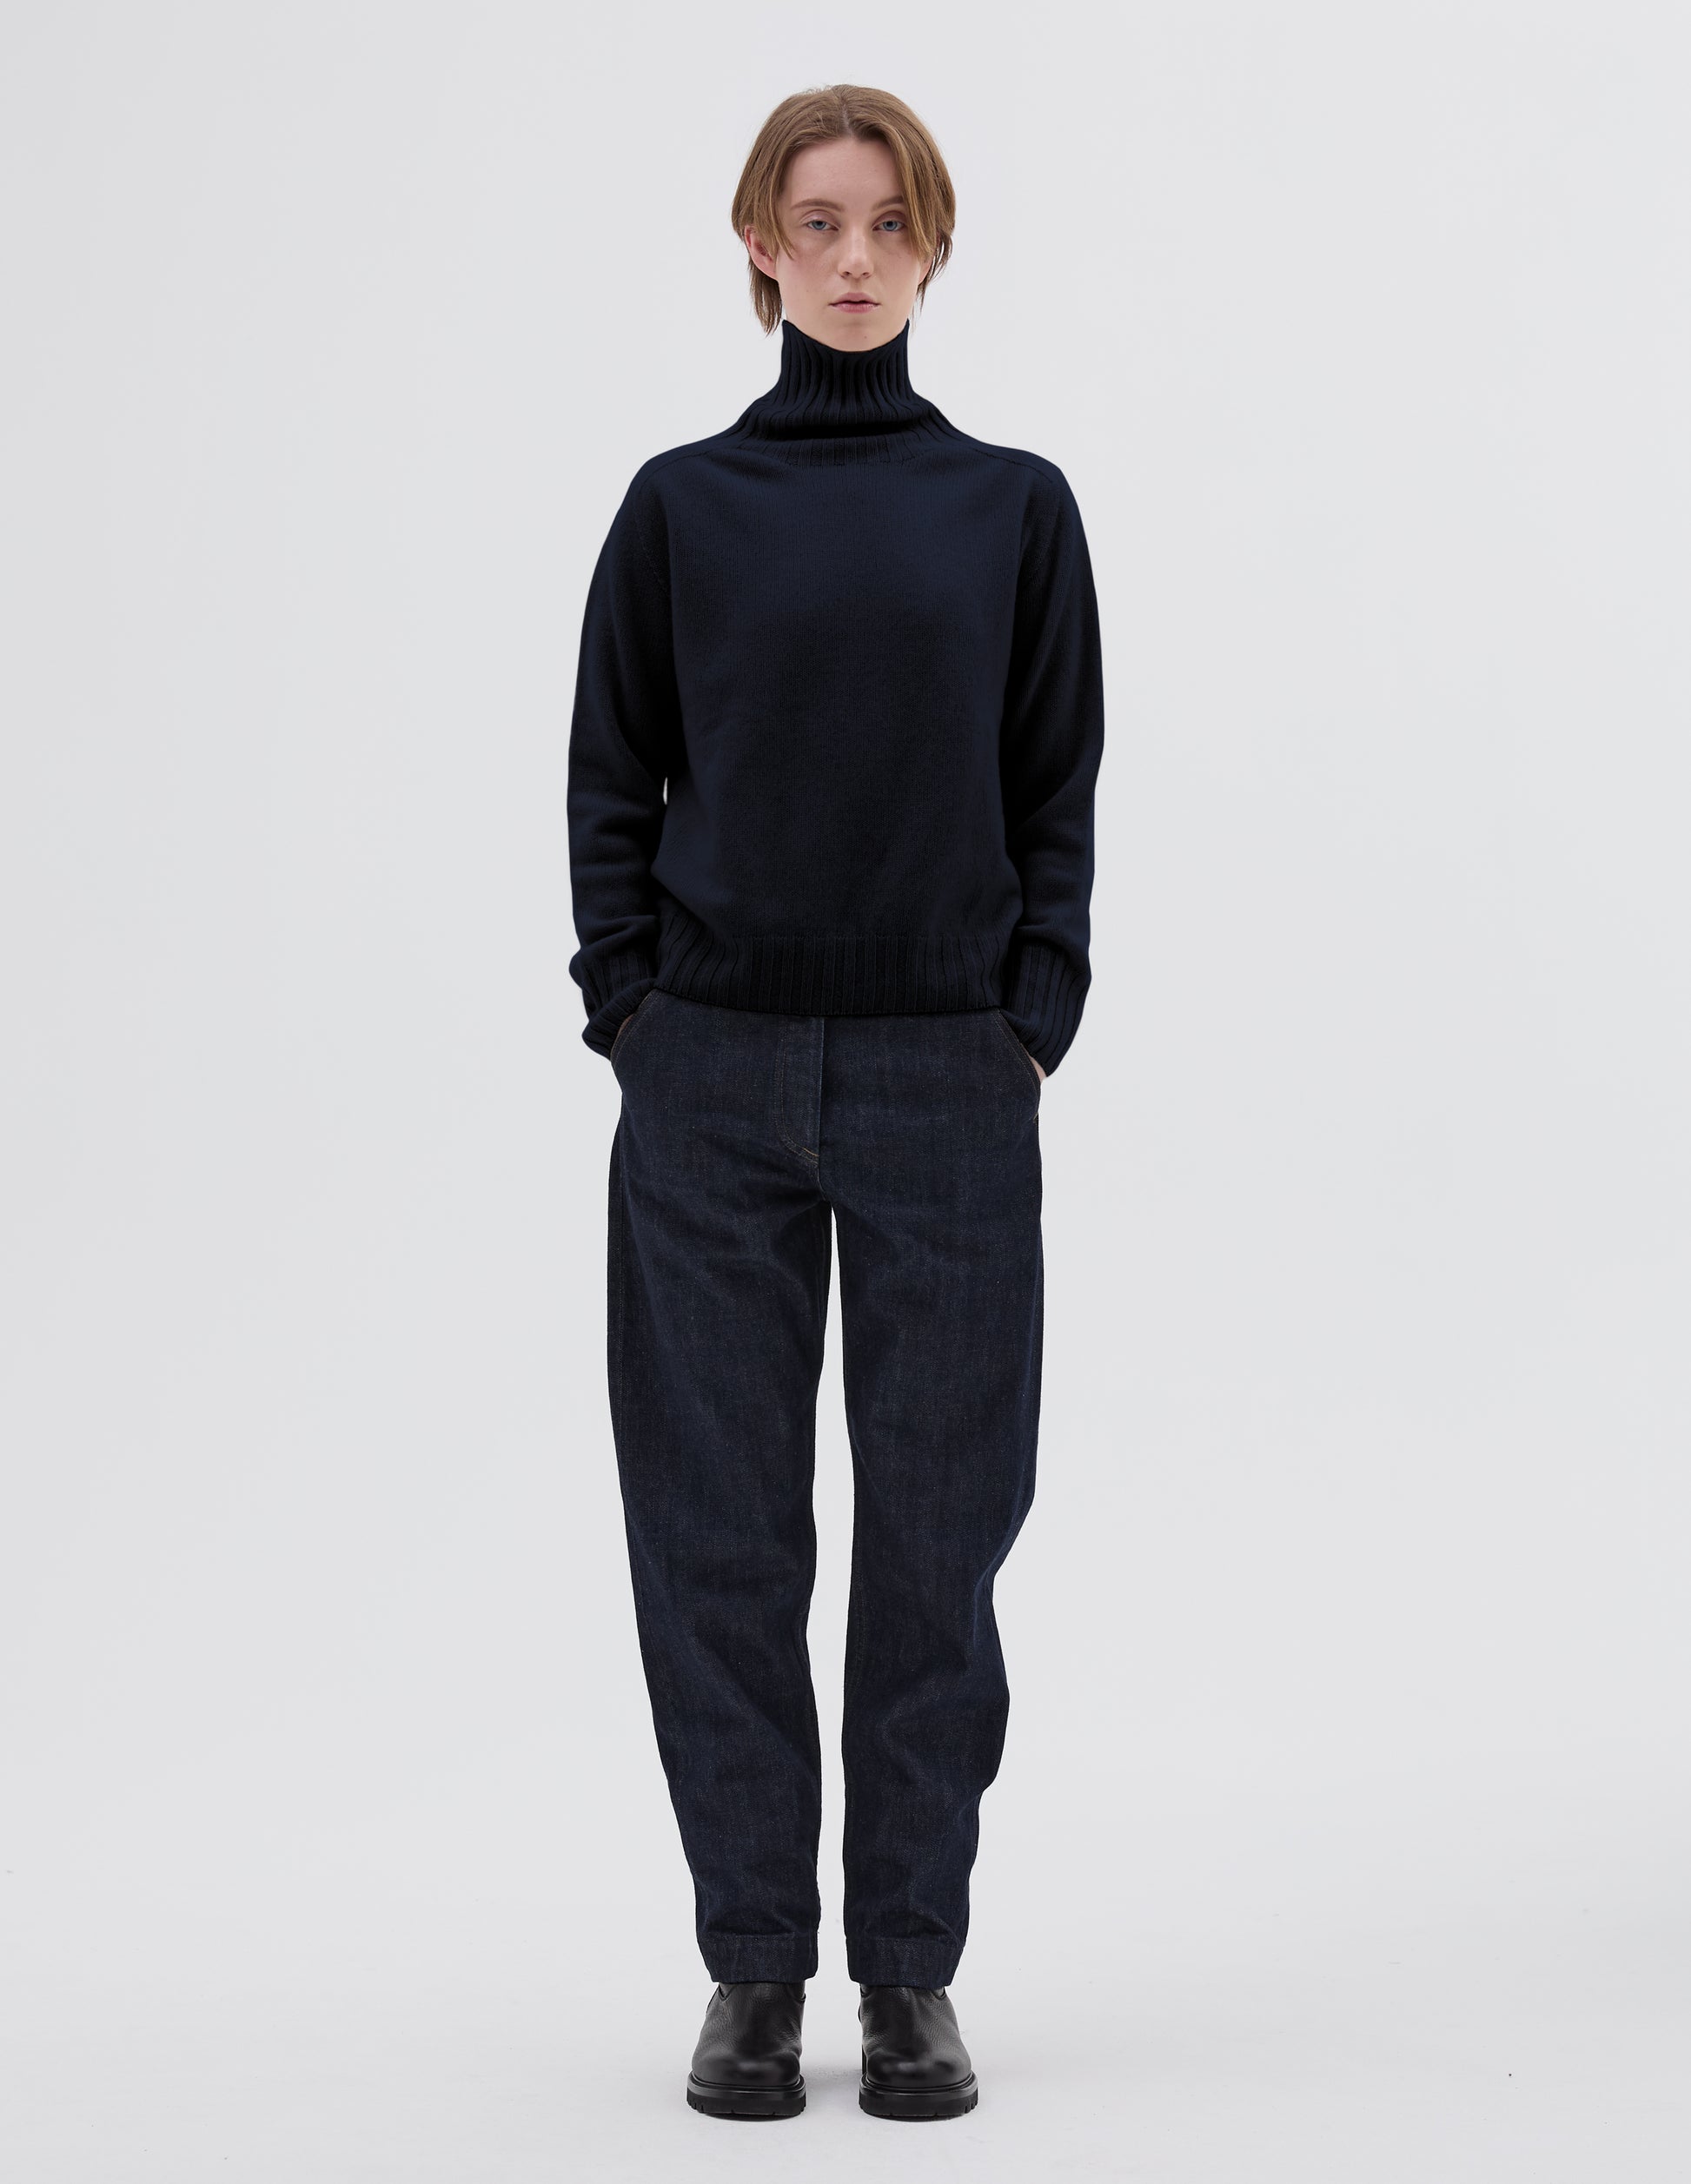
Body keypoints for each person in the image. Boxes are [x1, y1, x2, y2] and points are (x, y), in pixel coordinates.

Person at [567, 83, 1104, 2122]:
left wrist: (1029, 1012)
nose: (855, 256)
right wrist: (633, 1007)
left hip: (944, 1077)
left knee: (937, 1543)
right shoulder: (679, 508)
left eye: (889, 222)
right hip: (706, 1079)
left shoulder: (1012, 509)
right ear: (759, 247)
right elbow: (611, 776)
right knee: (715, 1538)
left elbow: (1054, 784)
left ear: (934, 248)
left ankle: (908, 1973)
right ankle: (751, 1970)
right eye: (818, 221)